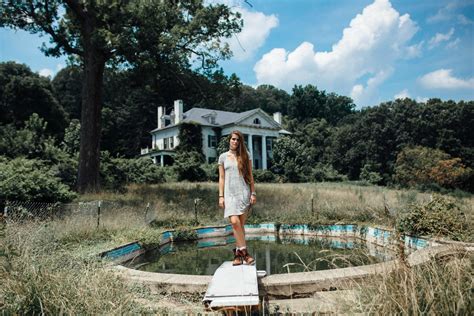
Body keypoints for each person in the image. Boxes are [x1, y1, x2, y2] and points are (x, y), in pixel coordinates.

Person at [218, 130, 256, 266]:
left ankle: (237, 255)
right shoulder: (223, 157)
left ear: (241, 142)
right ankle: (245, 253)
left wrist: (253, 193)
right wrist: (221, 196)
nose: (235, 141)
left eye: (238, 140)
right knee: (234, 222)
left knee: (240, 226)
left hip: (243, 193)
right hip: (229, 195)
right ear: (229, 140)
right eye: (233, 139)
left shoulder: (246, 156)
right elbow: (221, 178)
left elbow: (250, 176)